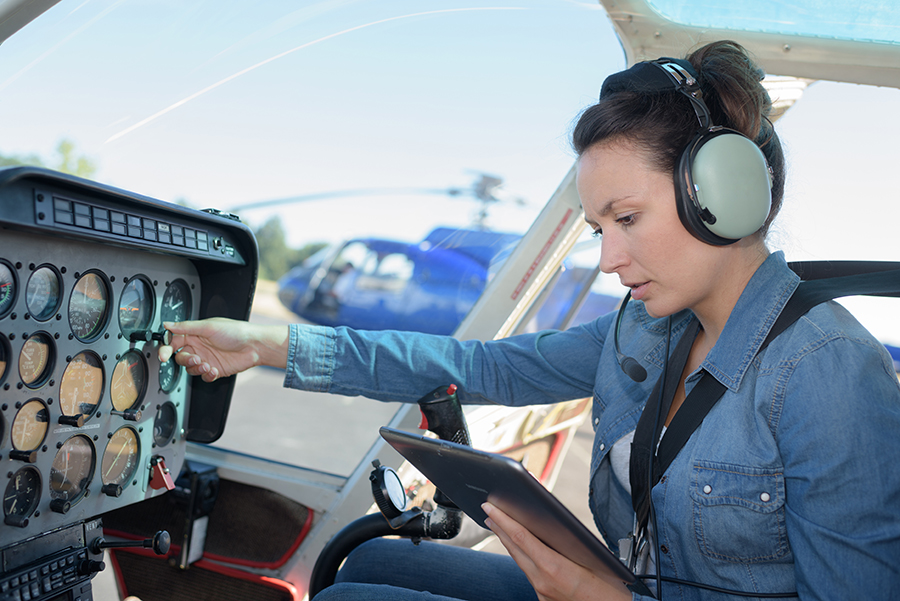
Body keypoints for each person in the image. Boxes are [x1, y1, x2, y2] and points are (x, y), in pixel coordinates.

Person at [158, 40, 900, 600]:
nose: (608, 259)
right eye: (598, 228)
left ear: (723, 197)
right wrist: (264, 344)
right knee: (371, 562)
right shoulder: (647, 331)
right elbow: (479, 366)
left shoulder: (828, 371)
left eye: (627, 218)